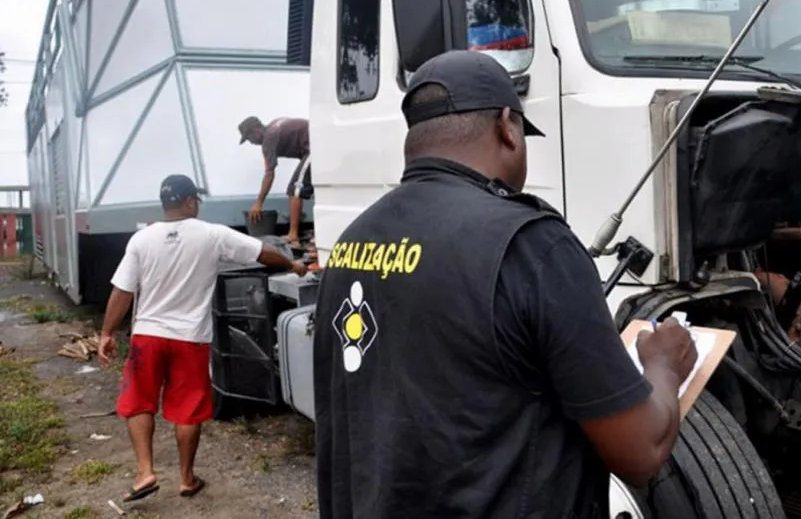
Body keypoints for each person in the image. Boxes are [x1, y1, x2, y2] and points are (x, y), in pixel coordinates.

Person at [312, 50, 696, 519]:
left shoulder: (351, 243)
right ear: (507, 127)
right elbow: (640, 451)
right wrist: (665, 366)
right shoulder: (532, 246)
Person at [97, 174, 307, 503]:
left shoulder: (141, 240)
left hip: (148, 336)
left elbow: (122, 290)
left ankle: (145, 472)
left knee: (139, 401)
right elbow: (263, 253)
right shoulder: (212, 234)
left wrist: (107, 333)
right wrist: (292, 264)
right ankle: (186, 478)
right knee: (187, 409)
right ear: (190, 201)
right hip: (189, 338)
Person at [237, 115, 311, 246]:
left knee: (294, 190)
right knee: (315, 186)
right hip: (319, 140)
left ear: (256, 131)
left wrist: (259, 203)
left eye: (249, 138)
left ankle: (293, 236)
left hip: (314, 148)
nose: (251, 142)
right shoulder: (273, 126)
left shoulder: (269, 139)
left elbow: (269, 174)